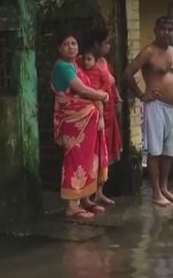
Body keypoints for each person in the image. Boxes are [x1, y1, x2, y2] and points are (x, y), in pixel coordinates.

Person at [124, 16, 173, 207]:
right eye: (164, 29)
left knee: (168, 151)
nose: (167, 33)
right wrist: (141, 94)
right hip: (156, 106)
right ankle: (156, 192)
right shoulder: (149, 52)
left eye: (170, 29)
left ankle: (165, 188)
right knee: (155, 151)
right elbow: (127, 73)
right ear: (156, 30)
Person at [51, 33, 109, 219]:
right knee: (75, 159)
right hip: (73, 121)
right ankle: (72, 206)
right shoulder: (62, 67)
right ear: (59, 48)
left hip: (87, 122)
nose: (71, 47)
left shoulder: (75, 64)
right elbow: (81, 89)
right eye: (66, 44)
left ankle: (85, 199)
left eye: (74, 43)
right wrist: (102, 96)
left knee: (89, 159)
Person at [79, 27, 124, 206]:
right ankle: (86, 196)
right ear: (97, 44)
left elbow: (111, 83)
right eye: (106, 43)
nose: (109, 46)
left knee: (104, 153)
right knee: (92, 153)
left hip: (108, 109)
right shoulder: (86, 62)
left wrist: (118, 98)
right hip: (95, 110)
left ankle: (99, 192)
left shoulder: (104, 62)